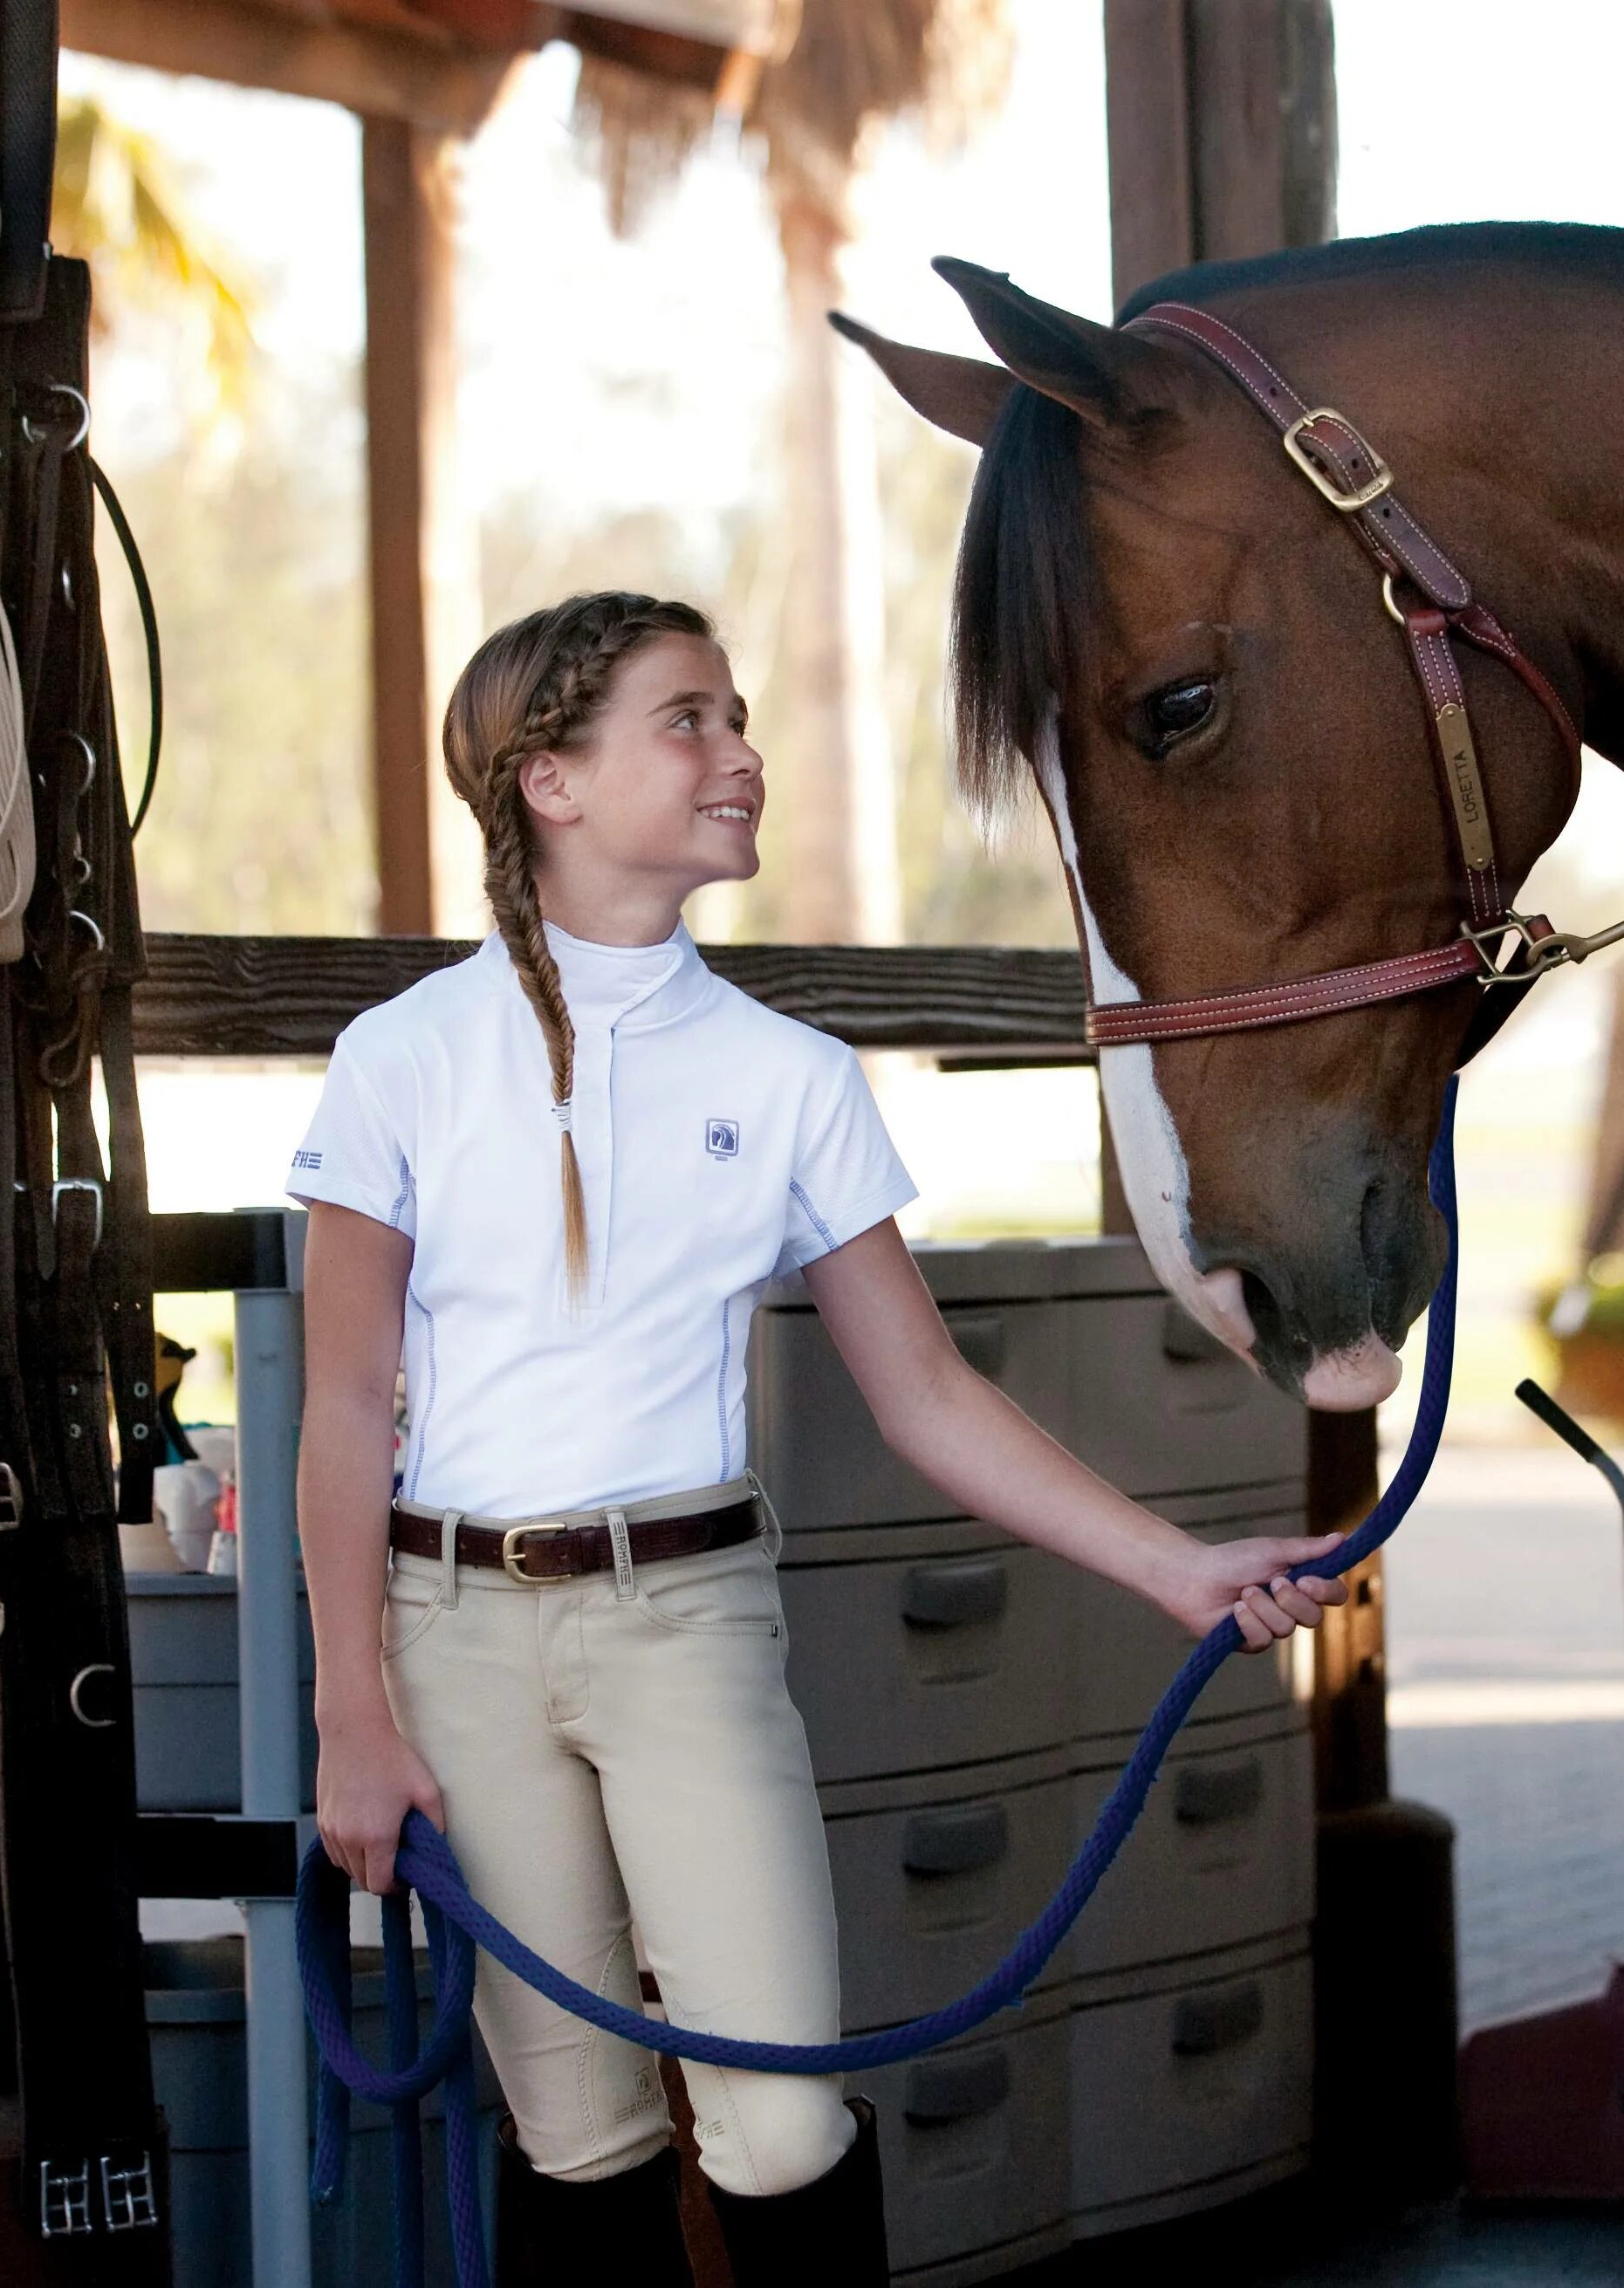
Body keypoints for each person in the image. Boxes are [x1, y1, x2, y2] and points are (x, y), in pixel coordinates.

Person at [289, 591, 1347, 2285]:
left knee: (778, 2124)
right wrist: (355, 1715)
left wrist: (1176, 1567)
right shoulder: (399, 1063)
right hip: (454, 1640)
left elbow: (925, 1395)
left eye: (736, 715)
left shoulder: (790, 1075)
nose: (741, 754)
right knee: (573, 2135)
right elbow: (341, 1405)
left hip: (686, 1625)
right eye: (687, 720)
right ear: (547, 783)